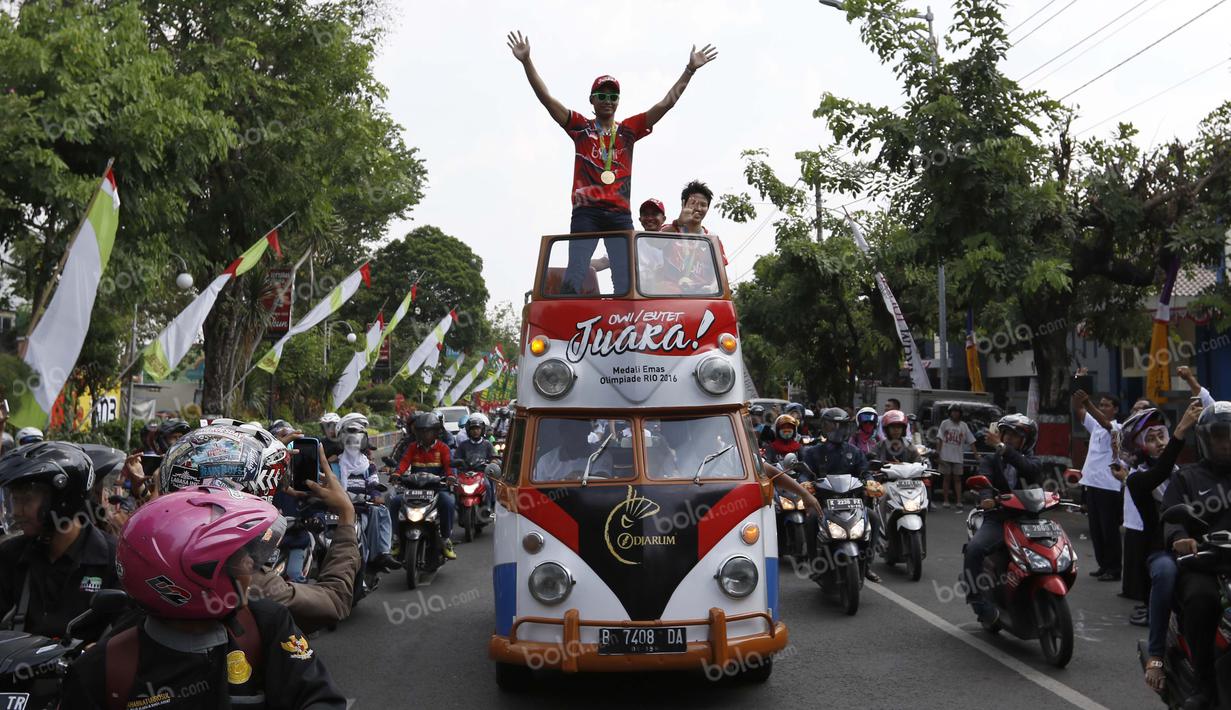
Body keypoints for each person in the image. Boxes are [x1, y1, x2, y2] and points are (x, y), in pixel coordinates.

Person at [60, 487, 347, 708]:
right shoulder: (106, 668)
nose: (250, 566)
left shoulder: (267, 625)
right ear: (191, 576)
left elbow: (319, 697)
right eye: (237, 559)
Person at [506, 30, 717, 294]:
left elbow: (665, 105)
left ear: (618, 101)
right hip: (587, 211)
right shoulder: (581, 128)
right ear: (592, 101)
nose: (608, 101)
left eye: (612, 96)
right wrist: (527, 62)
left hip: (619, 214)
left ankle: (622, 327)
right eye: (602, 96)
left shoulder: (628, 131)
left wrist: (689, 70)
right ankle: (573, 321)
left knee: (625, 278)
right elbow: (547, 100)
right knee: (576, 272)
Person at [0, 442, 121, 642]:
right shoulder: (10, 555)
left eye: (26, 500)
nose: (16, 511)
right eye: (15, 499)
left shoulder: (113, 559)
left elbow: (126, 636)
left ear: (64, 499)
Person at [1125, 402, 1198, 694]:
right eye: (1151, 439)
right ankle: (1155, 654)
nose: (1158, 442)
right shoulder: (1137, 479)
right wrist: (1181, 432)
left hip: (1194, 545)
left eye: (1162, 436)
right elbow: (1161, 470)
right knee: (1166, 574)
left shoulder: (1186, 474)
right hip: (1161, 551)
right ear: (1141, 447)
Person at [1162, 401, 1231, 707]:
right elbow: (1171, 520)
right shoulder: (1186, 477)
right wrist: (1181, 538)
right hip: (1205, 564)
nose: (1226, 442)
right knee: (1202, 601)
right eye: (1219, 435)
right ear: (1205, 438)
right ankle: (1204, 683)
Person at [961, 414, 1043, 624]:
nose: (1008, 438)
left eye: (1015, 435)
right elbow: (984, 483)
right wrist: (987, 498)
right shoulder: (990, 459)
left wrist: (1002, 448)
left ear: (1026, 440)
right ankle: (977, 600)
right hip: (1000, 519)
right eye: (1006, 434)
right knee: (974, 549)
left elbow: (1030, 470)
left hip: (1029, 521)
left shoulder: (1032, 461)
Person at [802, 407, 878, 582]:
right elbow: (805, 472)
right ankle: (816, 564)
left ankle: (868, 564)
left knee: (873, 517)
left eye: (841, 426)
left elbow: (864, 472)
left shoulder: (855, 451)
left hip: (853, 502)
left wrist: (871, 481)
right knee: (812, 519)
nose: (837, 430)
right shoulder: (814, 452)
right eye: (832, 426)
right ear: (824, 428)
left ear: (847, 428)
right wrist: (804, 482)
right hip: (824, 502)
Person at [336, 418, 401, 573]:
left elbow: (373, 484)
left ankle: (381, 554)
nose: (353, 445)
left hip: (361, 506)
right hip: (337, 506)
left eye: (357, 442)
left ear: (363, 443)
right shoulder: (334, 463)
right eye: (349, 441)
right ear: (342, 442)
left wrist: (375, 495)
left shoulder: (368, 465)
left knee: (381, 511)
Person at [1073, 388, 1124, 581]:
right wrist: (1077, 392)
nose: (1103, 407)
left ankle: (1114, 568)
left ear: (1116, 410)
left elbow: (1104, 422)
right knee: (1096, 529)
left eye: (1107, 405)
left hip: (1108, 484)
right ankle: (1103, 565)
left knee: (1109, 529)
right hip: (1091, 482)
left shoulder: (1117, 428)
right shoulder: (1094, 426)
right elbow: (1079, 412)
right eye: (1101, 404)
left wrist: (1088, 403)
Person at [393, 412, 458, 560]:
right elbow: (404, 462)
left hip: (437, 488)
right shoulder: (412, 447)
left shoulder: (443, 448)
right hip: (415, 489)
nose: (424, 434)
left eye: (427, 431)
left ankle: (446, 539)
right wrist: (397, 474)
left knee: (448, 502)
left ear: (436, 431)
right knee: (395, 502)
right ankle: (396, 538)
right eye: (421, 431)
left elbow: (449, 466)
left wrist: (451, 477)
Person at [937, 404, 979, 511]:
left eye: (957, 411)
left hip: (958, 456)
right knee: (946, 478)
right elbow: (940, 438)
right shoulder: (945, 423)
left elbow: (971, 441)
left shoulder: (963, 426)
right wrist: (938, 453)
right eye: (953, 411)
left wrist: (976, 455)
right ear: (950, 413)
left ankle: (959, 501)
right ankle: (945, 500)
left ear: (960, 413)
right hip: (945, 455)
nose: (955, 413)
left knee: (958, 479)